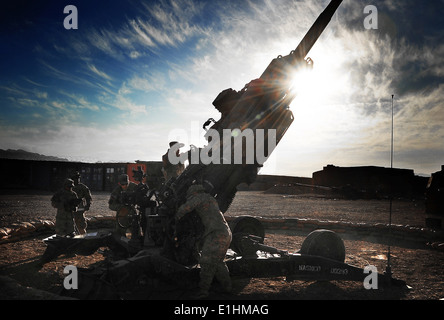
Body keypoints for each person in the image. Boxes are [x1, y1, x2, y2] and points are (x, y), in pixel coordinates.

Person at [176, 184, 232, 299]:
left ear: (194, 193)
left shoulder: (199, 197)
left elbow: (186, 207)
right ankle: (228, 288)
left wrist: (176, 216)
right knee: (218, 262)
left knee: (206, 261)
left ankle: (203, 292)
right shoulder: (210, 198)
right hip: (225, 233)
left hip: (216, 235)